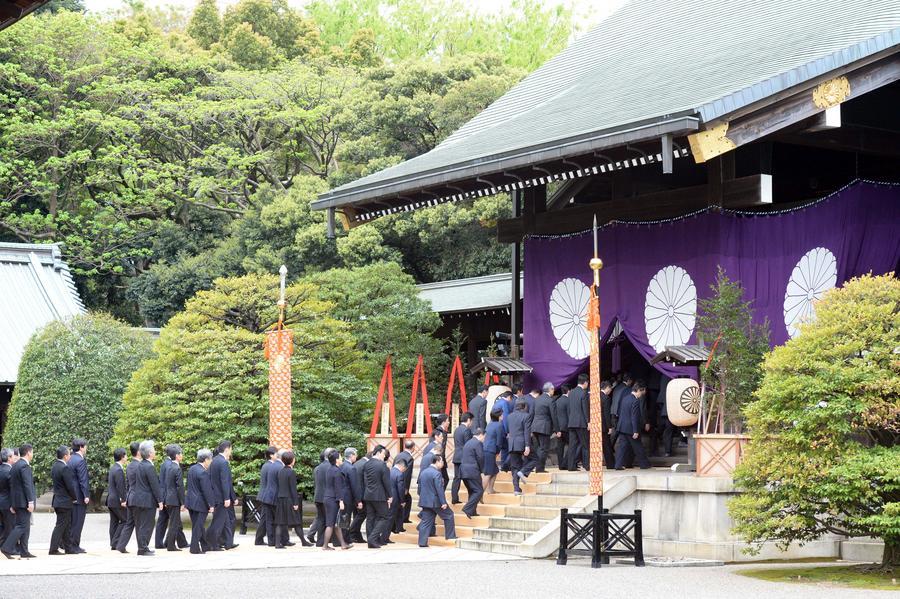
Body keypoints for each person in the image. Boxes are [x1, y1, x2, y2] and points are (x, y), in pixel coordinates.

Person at [2, 444, 35, 559]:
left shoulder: (15, 465)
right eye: (32, 452)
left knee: (25, 526)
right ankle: (6, 547)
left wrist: (12, 504)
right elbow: (27, 485)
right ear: (28, 452)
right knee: (22, 526)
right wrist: (30, 501)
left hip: (17, 501)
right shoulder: (24, 466)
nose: (32, 454)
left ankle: (24, 551)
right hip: (23, 502)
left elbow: (12, 486)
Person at [130, 441, 163, 556]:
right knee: (147, 525)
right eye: (153, 450)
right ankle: (143, 548)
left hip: (140, 499)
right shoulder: (149, 466)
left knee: (142, 524)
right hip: (147, 500)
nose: (155, 452)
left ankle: (143, 547)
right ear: (149, 453)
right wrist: (160, 500)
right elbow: (155, 485)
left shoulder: (141, 464)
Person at [416, 456, 456, 547]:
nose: (443, 464)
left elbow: (419, 487)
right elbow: (439, 489)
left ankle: (422, 542)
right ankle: (450, 536)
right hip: (435, 501)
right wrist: (443, 502)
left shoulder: (423, 472)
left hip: (425, 501)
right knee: (449, 515)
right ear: (437, 461)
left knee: (426, 522)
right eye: (442, 461)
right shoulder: (437, 473)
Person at [156, 444, 188, 551]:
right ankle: (170, 545)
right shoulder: (176, 468)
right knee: (174, 523)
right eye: (181, 454)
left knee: (172, 522)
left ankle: (169, 543)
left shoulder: (168, 467)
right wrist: (182, 502)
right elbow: (179, 487)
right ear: (177, 456)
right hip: (174, 499)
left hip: (168, 498)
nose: (182, 455)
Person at [614, 380, 652, 470]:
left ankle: (618, 465)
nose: (641, 395)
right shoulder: (635, 401)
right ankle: (644, 464)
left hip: (622, 426)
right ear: (638, 390)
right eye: (641, 393)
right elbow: (634, 417)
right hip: (631, 428)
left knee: (622, 447)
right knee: (638, 447)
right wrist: (635, 430)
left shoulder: (625, 398)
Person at [208, 441, 238, 551]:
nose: (231, 452)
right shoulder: (223, 462)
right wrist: (227, 498)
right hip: (221, 497)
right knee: (222, 521)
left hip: (215, 495)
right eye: (231, 449)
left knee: (224, 520)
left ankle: (226, 542)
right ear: (226, 449)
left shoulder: (214, 460)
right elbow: (225, 482)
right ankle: (215, 542)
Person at [49, 446, 78, 555]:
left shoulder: (55, 466)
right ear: (65, 456)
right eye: (69, 454)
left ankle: (68, 548)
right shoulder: (64, 468)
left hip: (58, 500)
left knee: (66, 525)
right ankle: (53, 548)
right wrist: (74, 497)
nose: (70, 456)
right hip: (64, 501)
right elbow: (70, 486)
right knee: (61, 525)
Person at [321, 449, 352, 550]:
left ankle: (343, 544)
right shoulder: (337, 471)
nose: (341, 458)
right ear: (337, 460)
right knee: (330, 523)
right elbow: (338, 488)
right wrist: (341, 501)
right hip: (333, 499)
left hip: (328, 497)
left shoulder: (330, 469)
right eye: (340, 457)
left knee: (336, 523)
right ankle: (325, 545)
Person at [185, 449, 215, 554]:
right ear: (206, 459)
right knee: (198, 526)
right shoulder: (203, 473)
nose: (211, 462)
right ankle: (194, 548)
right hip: (200, 503)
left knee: (198, 525)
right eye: (210, 459)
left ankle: (204, 545)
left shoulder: (192, 469)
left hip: (190, 501)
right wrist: (211, 504)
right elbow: (206, 490)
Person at [115, 441, 142, 553]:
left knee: (129, 523)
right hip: (137, 499)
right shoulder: (140, 465)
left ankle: (121, 545)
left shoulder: (130, 465)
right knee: (139, 524)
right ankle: (142, 547)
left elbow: (127, 483)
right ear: (139, 452)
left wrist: (126, 498)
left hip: (130, 497)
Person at [362, 444, 391, 549]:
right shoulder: (382, 465)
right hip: (379, 495)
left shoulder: (367, 464)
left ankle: (371, 541)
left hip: (368, 494)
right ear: (378, 452)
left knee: (370, 518)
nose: (384, 456)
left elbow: (365, 480)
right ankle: (372, 539)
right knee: (384, 517)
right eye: (384, 454)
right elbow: (386, 482)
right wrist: (390, 495)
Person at [273, 451, 302, 549]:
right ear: (292, 460)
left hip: (280, 498)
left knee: (280, 522)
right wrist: (295, 502)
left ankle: (277, 543)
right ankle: (303, 541)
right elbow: (293, 489)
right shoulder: (291, 472)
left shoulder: (280, 471)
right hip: (289, 499)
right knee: (297, 521)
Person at [254, 446, 280, 547]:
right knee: (268, 519)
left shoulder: (266, 465)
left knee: (264, 519)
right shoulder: (271, 466)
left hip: (264, 495)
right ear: (271, 455)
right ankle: (270, 540)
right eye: (275, 453)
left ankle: (259, 539)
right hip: (268, 495)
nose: (277, 455)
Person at [506, 400, 533, 495]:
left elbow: (508, 430)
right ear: (524, 407)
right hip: (521, 443)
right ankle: (523, 471)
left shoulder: (509, 416)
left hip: (512, 444)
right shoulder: (526, 416)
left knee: (514, 467)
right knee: (535, 459)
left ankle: (516, 489)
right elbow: (527, 432)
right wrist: (527, 445)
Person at [68, 438, 89, 553]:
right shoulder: (80, 461)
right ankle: (74, 545)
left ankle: (68, 543)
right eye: (85, 446)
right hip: (79, 495)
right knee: (78, 522)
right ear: (81, 447)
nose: (86, 448)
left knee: (71, 521)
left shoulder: (69, 458)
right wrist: (86, 495)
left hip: (70, 494)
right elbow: (83, 480)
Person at [309, 448, 332, 547]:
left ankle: (320, 541)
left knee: (321, 519)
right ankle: (327, 541)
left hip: (318, 496)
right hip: (328, 497)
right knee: (329, 520)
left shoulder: (317, 468)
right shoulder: (331, 467)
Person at [532, 382, 557, 473]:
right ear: (550, 390)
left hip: (535, 426)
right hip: (544, 427)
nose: (553, 391)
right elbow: (554, 416)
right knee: (544, 448)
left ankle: (537, 467)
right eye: (553, 389)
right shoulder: (550, 400)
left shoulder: (537, 399)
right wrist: (557, 429)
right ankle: (539, 468)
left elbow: (532, 413)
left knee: (539, 448)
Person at [106, 448, 128, 550]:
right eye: (126, 455)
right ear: (122, 457)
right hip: (117, 500)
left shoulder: (113, 467)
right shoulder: (118, 470)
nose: (127, 457)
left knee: (114, 522)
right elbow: (120, 487)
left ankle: (113, 543)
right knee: (125, 520)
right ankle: (115, 542)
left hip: (110, 499)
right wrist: (123, 500)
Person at [567, 374, 590, 470]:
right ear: (585, 382)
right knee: (585, 445)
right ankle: (586, 466)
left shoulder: (571, 392)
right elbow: (585, 408)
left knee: (572, 445)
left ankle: (571, 466)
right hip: (581, 422)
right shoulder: (584, 393)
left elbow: (569, 408)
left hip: (572, 422)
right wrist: (588, 421)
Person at [460, 429, 485, 518]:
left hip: (463, 471)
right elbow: (481, 457)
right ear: (481, 435)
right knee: (479, 491)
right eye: (484, 437)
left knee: (472, 491)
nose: (484, 439)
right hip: (472, 470)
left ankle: (472, 511)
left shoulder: (468, 442)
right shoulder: (478, 443)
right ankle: (467, 508)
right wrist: (482, 469)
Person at [450, 412, 474, 504]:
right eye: (471, 421)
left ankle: (454, 498)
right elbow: (468, 445)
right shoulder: (466, 430)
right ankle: (471, 498)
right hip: (464, 457)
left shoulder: (457, 429)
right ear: (468, 420)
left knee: (457, 478)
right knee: (467, 478)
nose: (471, 423)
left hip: (456, 456)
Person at [349, 451, 369, 543]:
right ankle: (352, 532)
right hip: (360, 494)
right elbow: (363, 482)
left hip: (353, 494)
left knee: (357, 515)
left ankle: (356, 536)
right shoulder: (365, 464)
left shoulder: (357, 463)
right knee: (362, 514)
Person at [341, 448, 361, 541]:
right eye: (355, 454)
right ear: (351, 455)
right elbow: (355, 485)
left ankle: (342, 538)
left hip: (341, 496)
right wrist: (358, 500)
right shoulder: (351, 468)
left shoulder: (341, 466)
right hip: (348, 497)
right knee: (347, 518)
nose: (356, 456)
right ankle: (345, 539)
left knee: (342, 517)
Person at [0, 448, 18, 552]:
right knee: (10, 526)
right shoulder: (10, 471)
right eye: (12, 456)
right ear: (9, 458)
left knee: (2, 526)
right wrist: (14, 505)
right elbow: (13, 490)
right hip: (8, 503)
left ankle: (2, 545)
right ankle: (10, 548)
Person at [393, 440, 416, 525]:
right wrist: (406, 488)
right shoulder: (409, 458)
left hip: (394, 481)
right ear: (413, 447)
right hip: (402, 482)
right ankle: (403, 519)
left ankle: (402, 519)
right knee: (406, 500)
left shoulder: (398, 455)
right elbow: (407, 474)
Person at [482, 409, 503, 493]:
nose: (503, 416)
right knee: (488, 472)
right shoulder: (499, 425)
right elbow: (499, 441)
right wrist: (497, 451)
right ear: (498, 416)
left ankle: (490, 489)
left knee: (495, 471)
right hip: (490, 450)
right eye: (502, 415)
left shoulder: (489, 424)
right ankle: (479, 494)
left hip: (486, 449)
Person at [554, 385, 570, 470]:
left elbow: (555, 415)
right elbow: (569, 414)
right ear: (568, 391)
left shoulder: (557, 401)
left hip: (559, 427)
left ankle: (561, 465)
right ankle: (566, 462)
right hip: (567, 426)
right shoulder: (569, 401)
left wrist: (556, 429)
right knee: (572, 445)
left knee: (560, 447)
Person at [496, 391, 514, 471]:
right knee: (506, 448)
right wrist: (508, 431)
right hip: (503, 428)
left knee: (502, 447)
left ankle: (504, 466)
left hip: (497, 427)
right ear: (509, 397)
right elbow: (505, 418)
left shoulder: (498, 402)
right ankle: (505, 466)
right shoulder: (505, 403)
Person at [388, 460, 407, 534]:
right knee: (392, 516)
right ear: (401, 466)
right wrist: (402, 501)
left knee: (390, 515)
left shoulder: (390, 471)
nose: (404, 471)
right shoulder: (399, 474)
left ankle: (393, 530)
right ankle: (386, 536)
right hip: (396, 498)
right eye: (404, 469)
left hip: (389, 496)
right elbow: (401, 489)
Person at [600, 380, 616, 468]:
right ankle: (611, 464)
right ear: (607, 388)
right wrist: (609, 427)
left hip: (596, 424)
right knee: (607, 445)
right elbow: (606, 414)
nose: (610, 391)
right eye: (610, 388)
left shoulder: (594, 396)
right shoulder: (606, 398)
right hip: (603, 426)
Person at [434, 414, 451, 489]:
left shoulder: (437, 431)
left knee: (444, 479)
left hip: (439, 459)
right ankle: (439, 498)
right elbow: (440, 448)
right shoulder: (440, 432)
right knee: (444, 479)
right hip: (438, 460)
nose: (449, 422)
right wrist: (441, 460)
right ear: (443, 422)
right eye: (448, 421)